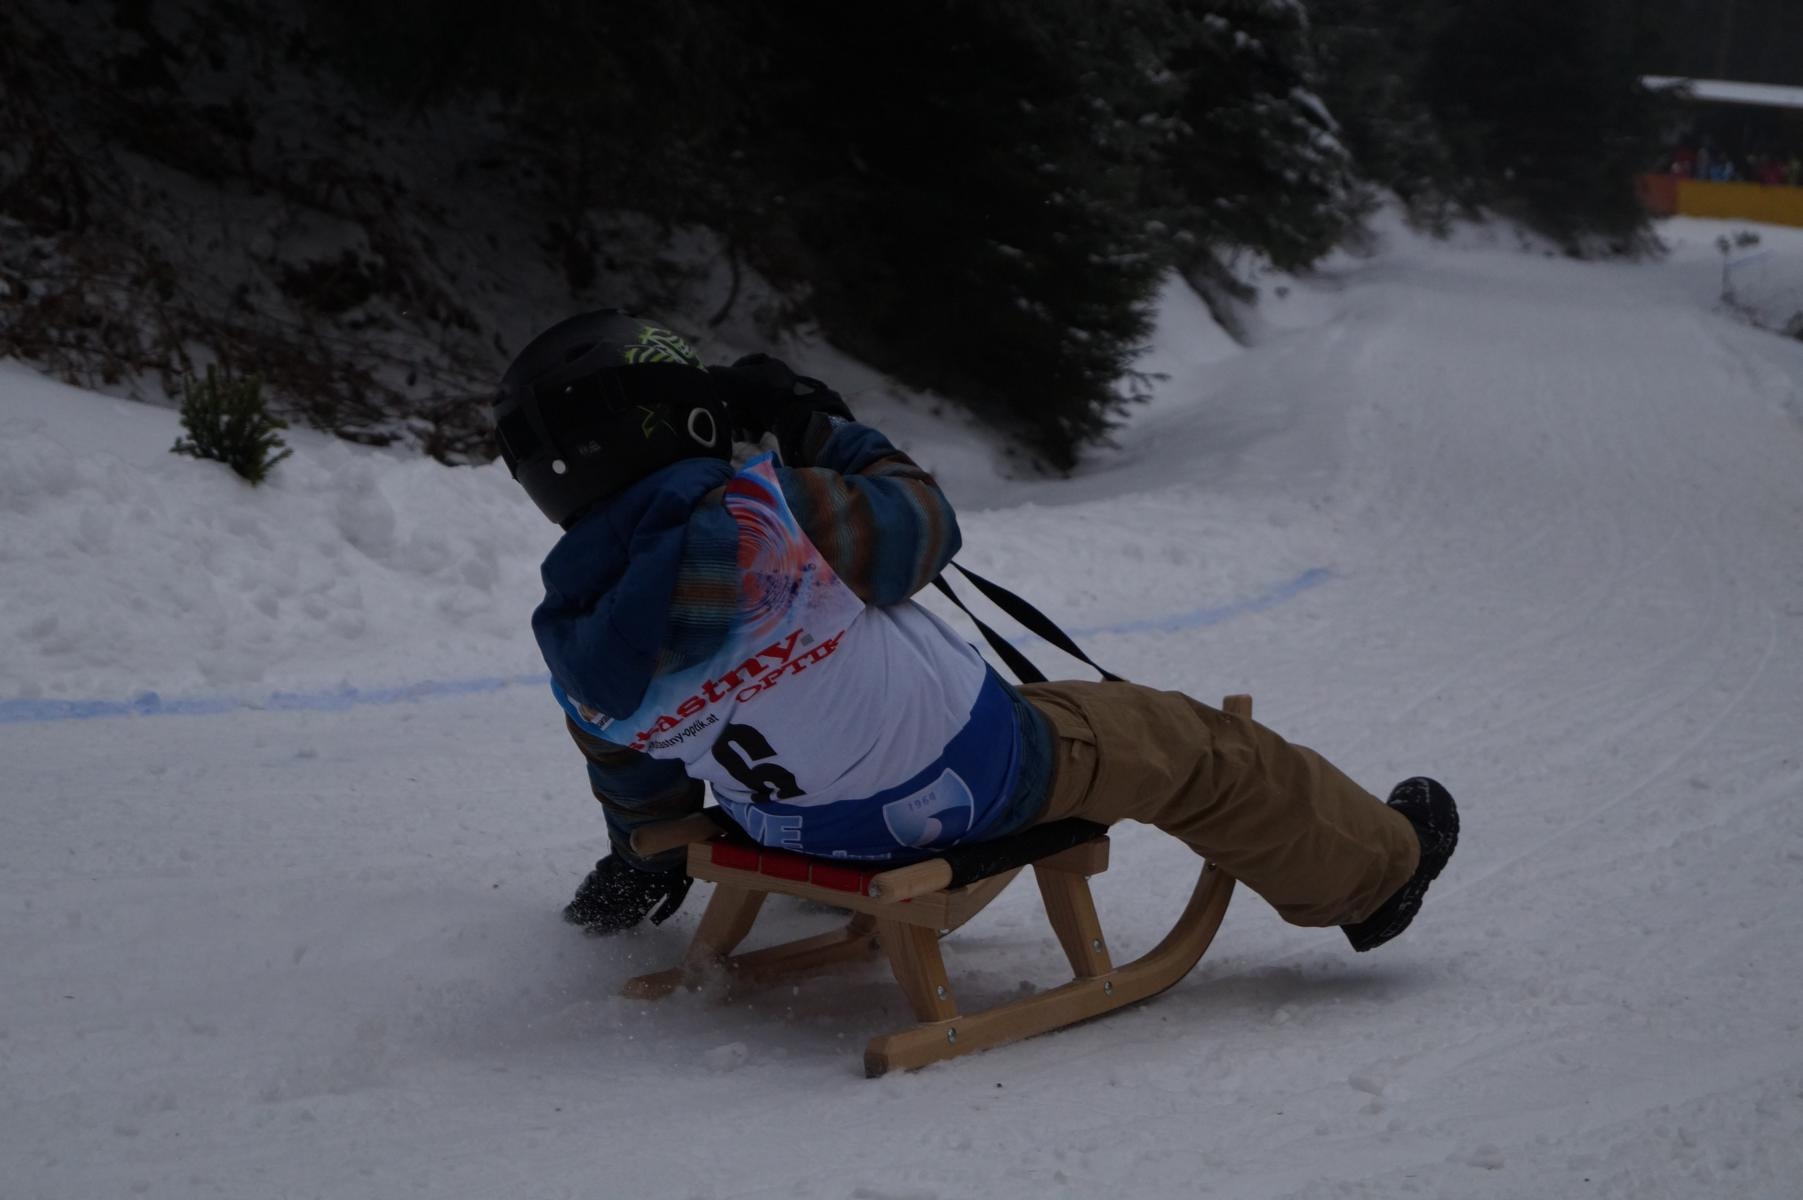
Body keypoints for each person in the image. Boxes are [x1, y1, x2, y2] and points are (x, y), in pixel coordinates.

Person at [492, 311, 1457, 954]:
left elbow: (637, 783)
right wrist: (810, 421)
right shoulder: (773, 520)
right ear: (688, 423)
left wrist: (640, 861)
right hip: (974, 782)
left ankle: (808, 873)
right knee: (1198, 747)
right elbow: (923, 522)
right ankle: (1375, 879)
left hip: (795, 832)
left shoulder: (571, 634)